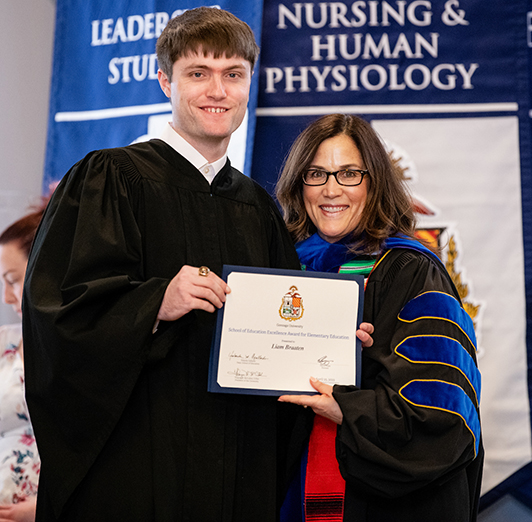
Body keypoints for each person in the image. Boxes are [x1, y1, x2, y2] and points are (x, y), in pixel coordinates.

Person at [22, 7, 305, 521]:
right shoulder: (111, 178)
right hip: (137, 467)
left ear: (248, 84)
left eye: (233, 75)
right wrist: (154, 301)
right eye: (198, 73)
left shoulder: (259, 209)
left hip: (237, 468)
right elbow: (55, 316)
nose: (217, 91)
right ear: (164, 81)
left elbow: (281, 335)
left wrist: (322, 345)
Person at [276, 114, 483, 522]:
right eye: (316, 173)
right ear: (300, 185)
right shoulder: (284, 273)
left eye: (349, 173)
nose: (331, 189)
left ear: (374, 183)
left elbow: (442, 418)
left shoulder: (411, 272)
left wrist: (346, 406)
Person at [0, 202, 47, 522]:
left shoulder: (90, 351)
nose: (6, 296)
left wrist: (43, 508)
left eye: (12, 280)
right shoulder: (4, 341)